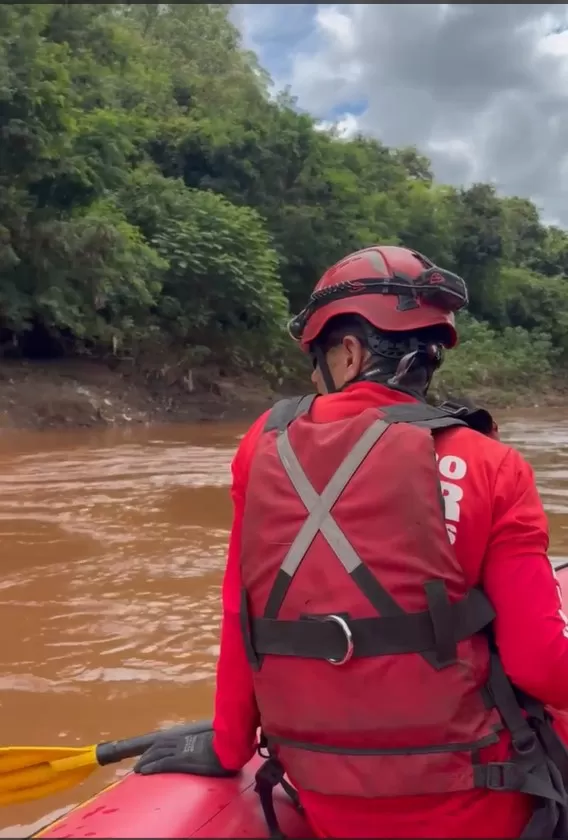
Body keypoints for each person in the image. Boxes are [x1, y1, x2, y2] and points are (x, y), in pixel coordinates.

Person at [134, 245, 568, 839]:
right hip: (478, 805)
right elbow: (541, 665)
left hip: (329, 805)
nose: (316, 379)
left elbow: (242, 615)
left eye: (318, 362)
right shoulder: (491, 463)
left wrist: (230, 744)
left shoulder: (260, 447)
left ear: (348, 352)